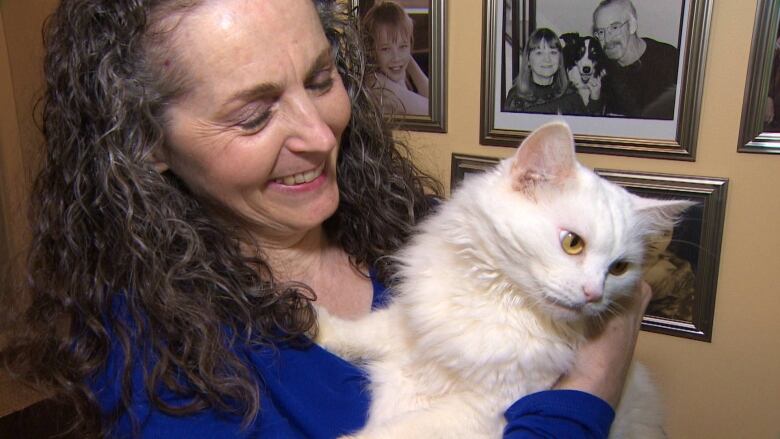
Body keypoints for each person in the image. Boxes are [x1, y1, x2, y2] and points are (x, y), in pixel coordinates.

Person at [0, 0, 653, 437]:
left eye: (319, 79)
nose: (319, 133)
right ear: (146, 143)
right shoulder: (156, 361)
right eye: (254, 115)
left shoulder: (420, 227)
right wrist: (591, 381)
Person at [593, 0, 679, 119]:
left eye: (614, 27)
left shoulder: (669, 59)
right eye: (601, 32)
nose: (607, 39)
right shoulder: (601, 70)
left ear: (632, 26)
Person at [505, 28, 604, 115]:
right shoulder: (516, 99)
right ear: (528, 60)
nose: (547, 59)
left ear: (560, 60)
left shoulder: (571, 94)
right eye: (539, 53)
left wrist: (595, 97)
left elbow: (586, 129)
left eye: (553, 52)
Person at [361, 1, 429, 116]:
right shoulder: (376, 84)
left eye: (403, 46)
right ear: (371, 51)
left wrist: (408, 59)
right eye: (385, 49)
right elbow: (436, 110)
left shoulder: (393, 75)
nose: (396, 57)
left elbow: (436, 99)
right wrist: (404, 54)